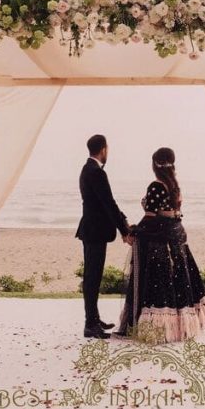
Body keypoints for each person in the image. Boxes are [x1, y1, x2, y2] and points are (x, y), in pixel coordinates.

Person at [114, 147, 205, 342]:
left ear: (154, 165)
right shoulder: (175, 186)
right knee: (176, 280)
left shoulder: (156, 186)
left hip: (159, 241)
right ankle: (179, 327)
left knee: (157, 282)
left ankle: (148, 327)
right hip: (176, 236)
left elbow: (150, 217)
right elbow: (172, 213)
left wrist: (132, 231)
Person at [75, 134, 134, 338]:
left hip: (91, 230)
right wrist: (125, 231)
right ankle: (90, 324)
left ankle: (93, 318)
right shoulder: (97, 172)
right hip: (95, 231)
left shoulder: (87, 169)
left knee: (93, 276)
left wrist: (123, 223)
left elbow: (104, 204)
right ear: (103, 150)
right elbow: (109, 203)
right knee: (92, 278)